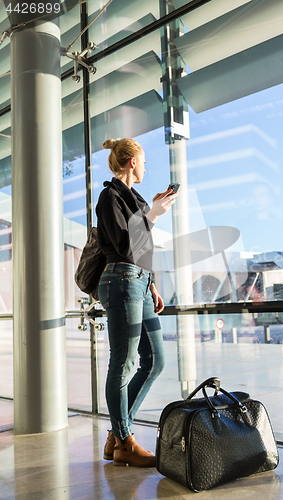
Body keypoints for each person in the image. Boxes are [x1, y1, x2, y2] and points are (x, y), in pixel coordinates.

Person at [96, 138, 177, 467]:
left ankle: (118, 433)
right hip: (120, 280)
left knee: (155, 360)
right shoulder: (110, 196)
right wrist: (154, 215)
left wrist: (152, 282)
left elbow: (143, 249)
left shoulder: (136, 200)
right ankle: (124, 441)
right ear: (131, 162)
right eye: (143, 162)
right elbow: (126, 243)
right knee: (124, 362)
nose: (145, 168)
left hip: (140, 282)